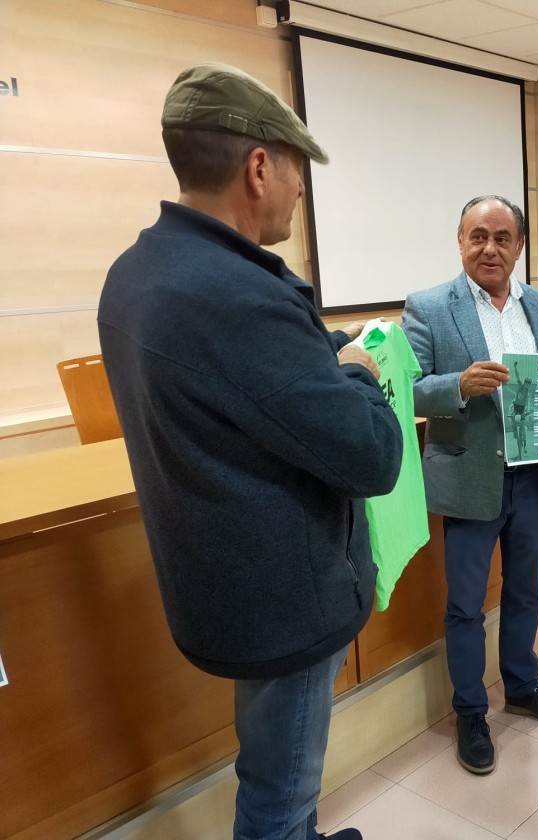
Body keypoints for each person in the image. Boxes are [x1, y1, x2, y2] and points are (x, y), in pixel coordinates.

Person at [97, 63, 403, 840]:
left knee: (270, 756)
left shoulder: (140, 272)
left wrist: (321, 355)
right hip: (285, 601)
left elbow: (249, 388)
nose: (301, 191)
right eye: (298, 170)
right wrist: (361, 374)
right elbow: (372, 457)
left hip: (222, 583)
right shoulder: (241, 297)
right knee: (279, 792)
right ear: (260, 166)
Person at [401, 195, 538, 775]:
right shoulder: (429, 306)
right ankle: (470, 712)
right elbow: (409, 390)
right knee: (465, 605)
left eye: (503, 238)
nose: (490, 247)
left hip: (533, 474)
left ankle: (523, 687)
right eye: (478, 235)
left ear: (519, 247)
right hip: (471, 477)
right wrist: (459, 383)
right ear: (460, 242)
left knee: (527, 590)